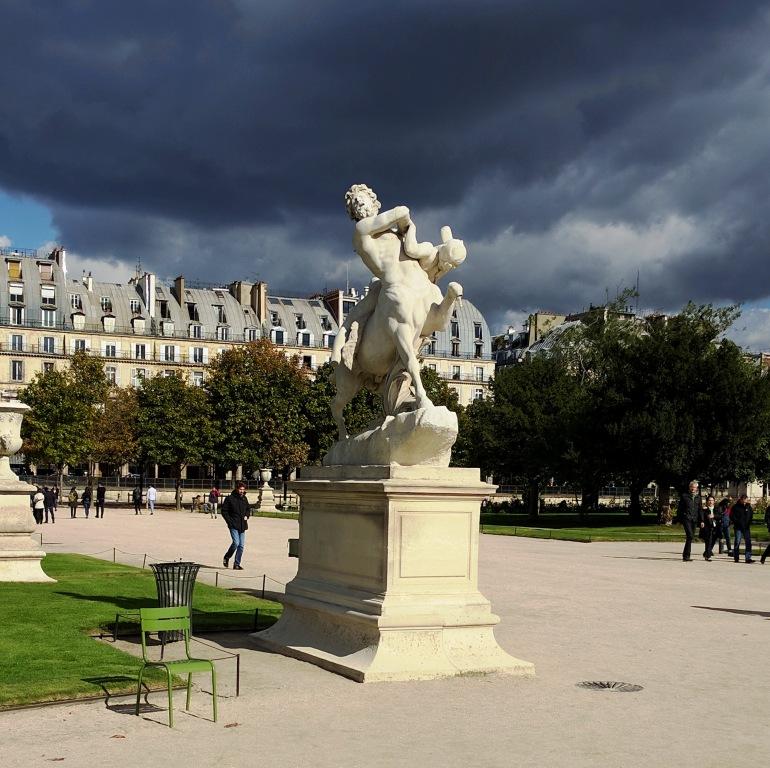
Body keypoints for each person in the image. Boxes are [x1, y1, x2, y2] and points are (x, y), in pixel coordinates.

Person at [222, 481, 250, 570]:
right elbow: (224, 511)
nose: (242, 491)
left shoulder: (244, 498)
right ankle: (227, 557)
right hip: (233, 524)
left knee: (241, 546)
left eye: (243, 489)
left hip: (242, 525)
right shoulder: (230, 498)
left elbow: (248, 509)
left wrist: (247, 515)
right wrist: (229, 522)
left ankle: (236, 564)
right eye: (240, 489)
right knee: (236, 543)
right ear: (237, 489)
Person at [678, 480, 702, 562]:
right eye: (692, 487)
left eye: (695, 487)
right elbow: (680, 508)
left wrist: (702, 520)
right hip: (686, 518)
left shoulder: (698, 498)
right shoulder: (684, 496)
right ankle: (686, 555)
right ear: (689, 487)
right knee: (690, 535)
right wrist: (679, 519)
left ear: (696, 488)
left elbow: (700, 509)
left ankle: (686, 555)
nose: (693, 488)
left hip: (694, 519)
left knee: (690, 537)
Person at [731, 493, 754, 563]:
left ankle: (748, 558)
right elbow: (732, 516)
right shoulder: (735, 507)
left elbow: (751, 515)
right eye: (743, 500)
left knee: (748, 542)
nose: (744, 501)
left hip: (746, 527)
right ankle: (736, 557)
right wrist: (737, 522)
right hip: (738, 527)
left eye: (745, 500)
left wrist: (749, 523)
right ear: (740, 500)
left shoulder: (748, 507)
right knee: (737, 542)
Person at [701, 494, 718, 561]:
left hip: (716, 528)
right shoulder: (704, 509)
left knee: (713, 541)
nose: (711, 502)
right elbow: (701, 517)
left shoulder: (717, 508)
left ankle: (706, 553)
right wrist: (702, 522)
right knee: (708, 541)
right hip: (708, 527)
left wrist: (714, 516)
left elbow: (720, 516)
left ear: (714, 501)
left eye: (712, 500)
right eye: (709, 500)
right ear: (707, 501)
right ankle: (708, 556)